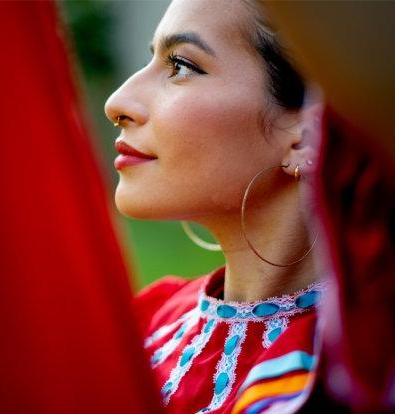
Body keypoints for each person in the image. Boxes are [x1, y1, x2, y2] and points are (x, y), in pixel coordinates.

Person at [104, 0, 325, 412]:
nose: (117, 103)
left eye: (181, 66)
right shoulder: (143, 326)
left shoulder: (358, 377)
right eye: (153, 59)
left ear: (305, 134)